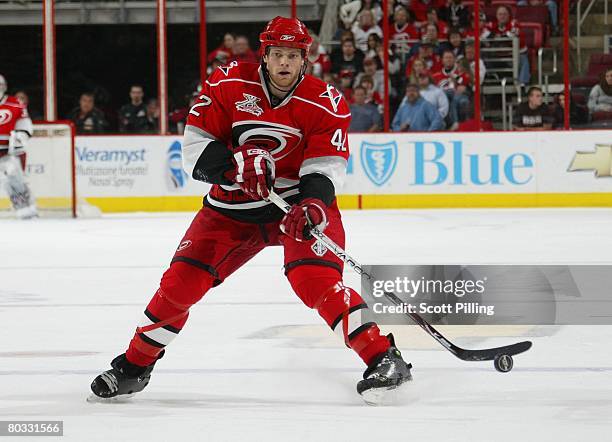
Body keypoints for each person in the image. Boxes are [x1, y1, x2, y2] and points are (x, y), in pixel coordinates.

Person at [89, 16, 412, 405]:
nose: (285, 64)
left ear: (304, 59)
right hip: (231, 210)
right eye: (278, 54)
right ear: (265, 55)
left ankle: (383, 358)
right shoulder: (227, 82)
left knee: (317, 281)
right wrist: (233, 166)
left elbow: (326, 165)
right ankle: (133, 368)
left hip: (293, 208)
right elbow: (194, 149)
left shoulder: (324, 101)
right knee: (179, 285)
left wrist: (310, 204)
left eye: (293, 56)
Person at [0, 74, 37, 219]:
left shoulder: (15, 104)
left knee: (15, 180)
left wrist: (20, 136)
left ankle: (26, 211)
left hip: (6, 154)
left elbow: (24, 123)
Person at [481, 6, 530, 85]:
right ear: (496, 16)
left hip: (513, 57)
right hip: (497, 58)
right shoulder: (491, 25)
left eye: (504, 14)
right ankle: (492, 77)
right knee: (482, 55)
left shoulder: (514, 23)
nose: (502, 16)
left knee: (523, 59)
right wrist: (496, 37)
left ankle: (522, 84)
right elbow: (483, 36)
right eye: (500, 14)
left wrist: (496, 38)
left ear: (509, 15)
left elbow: (511, 36)